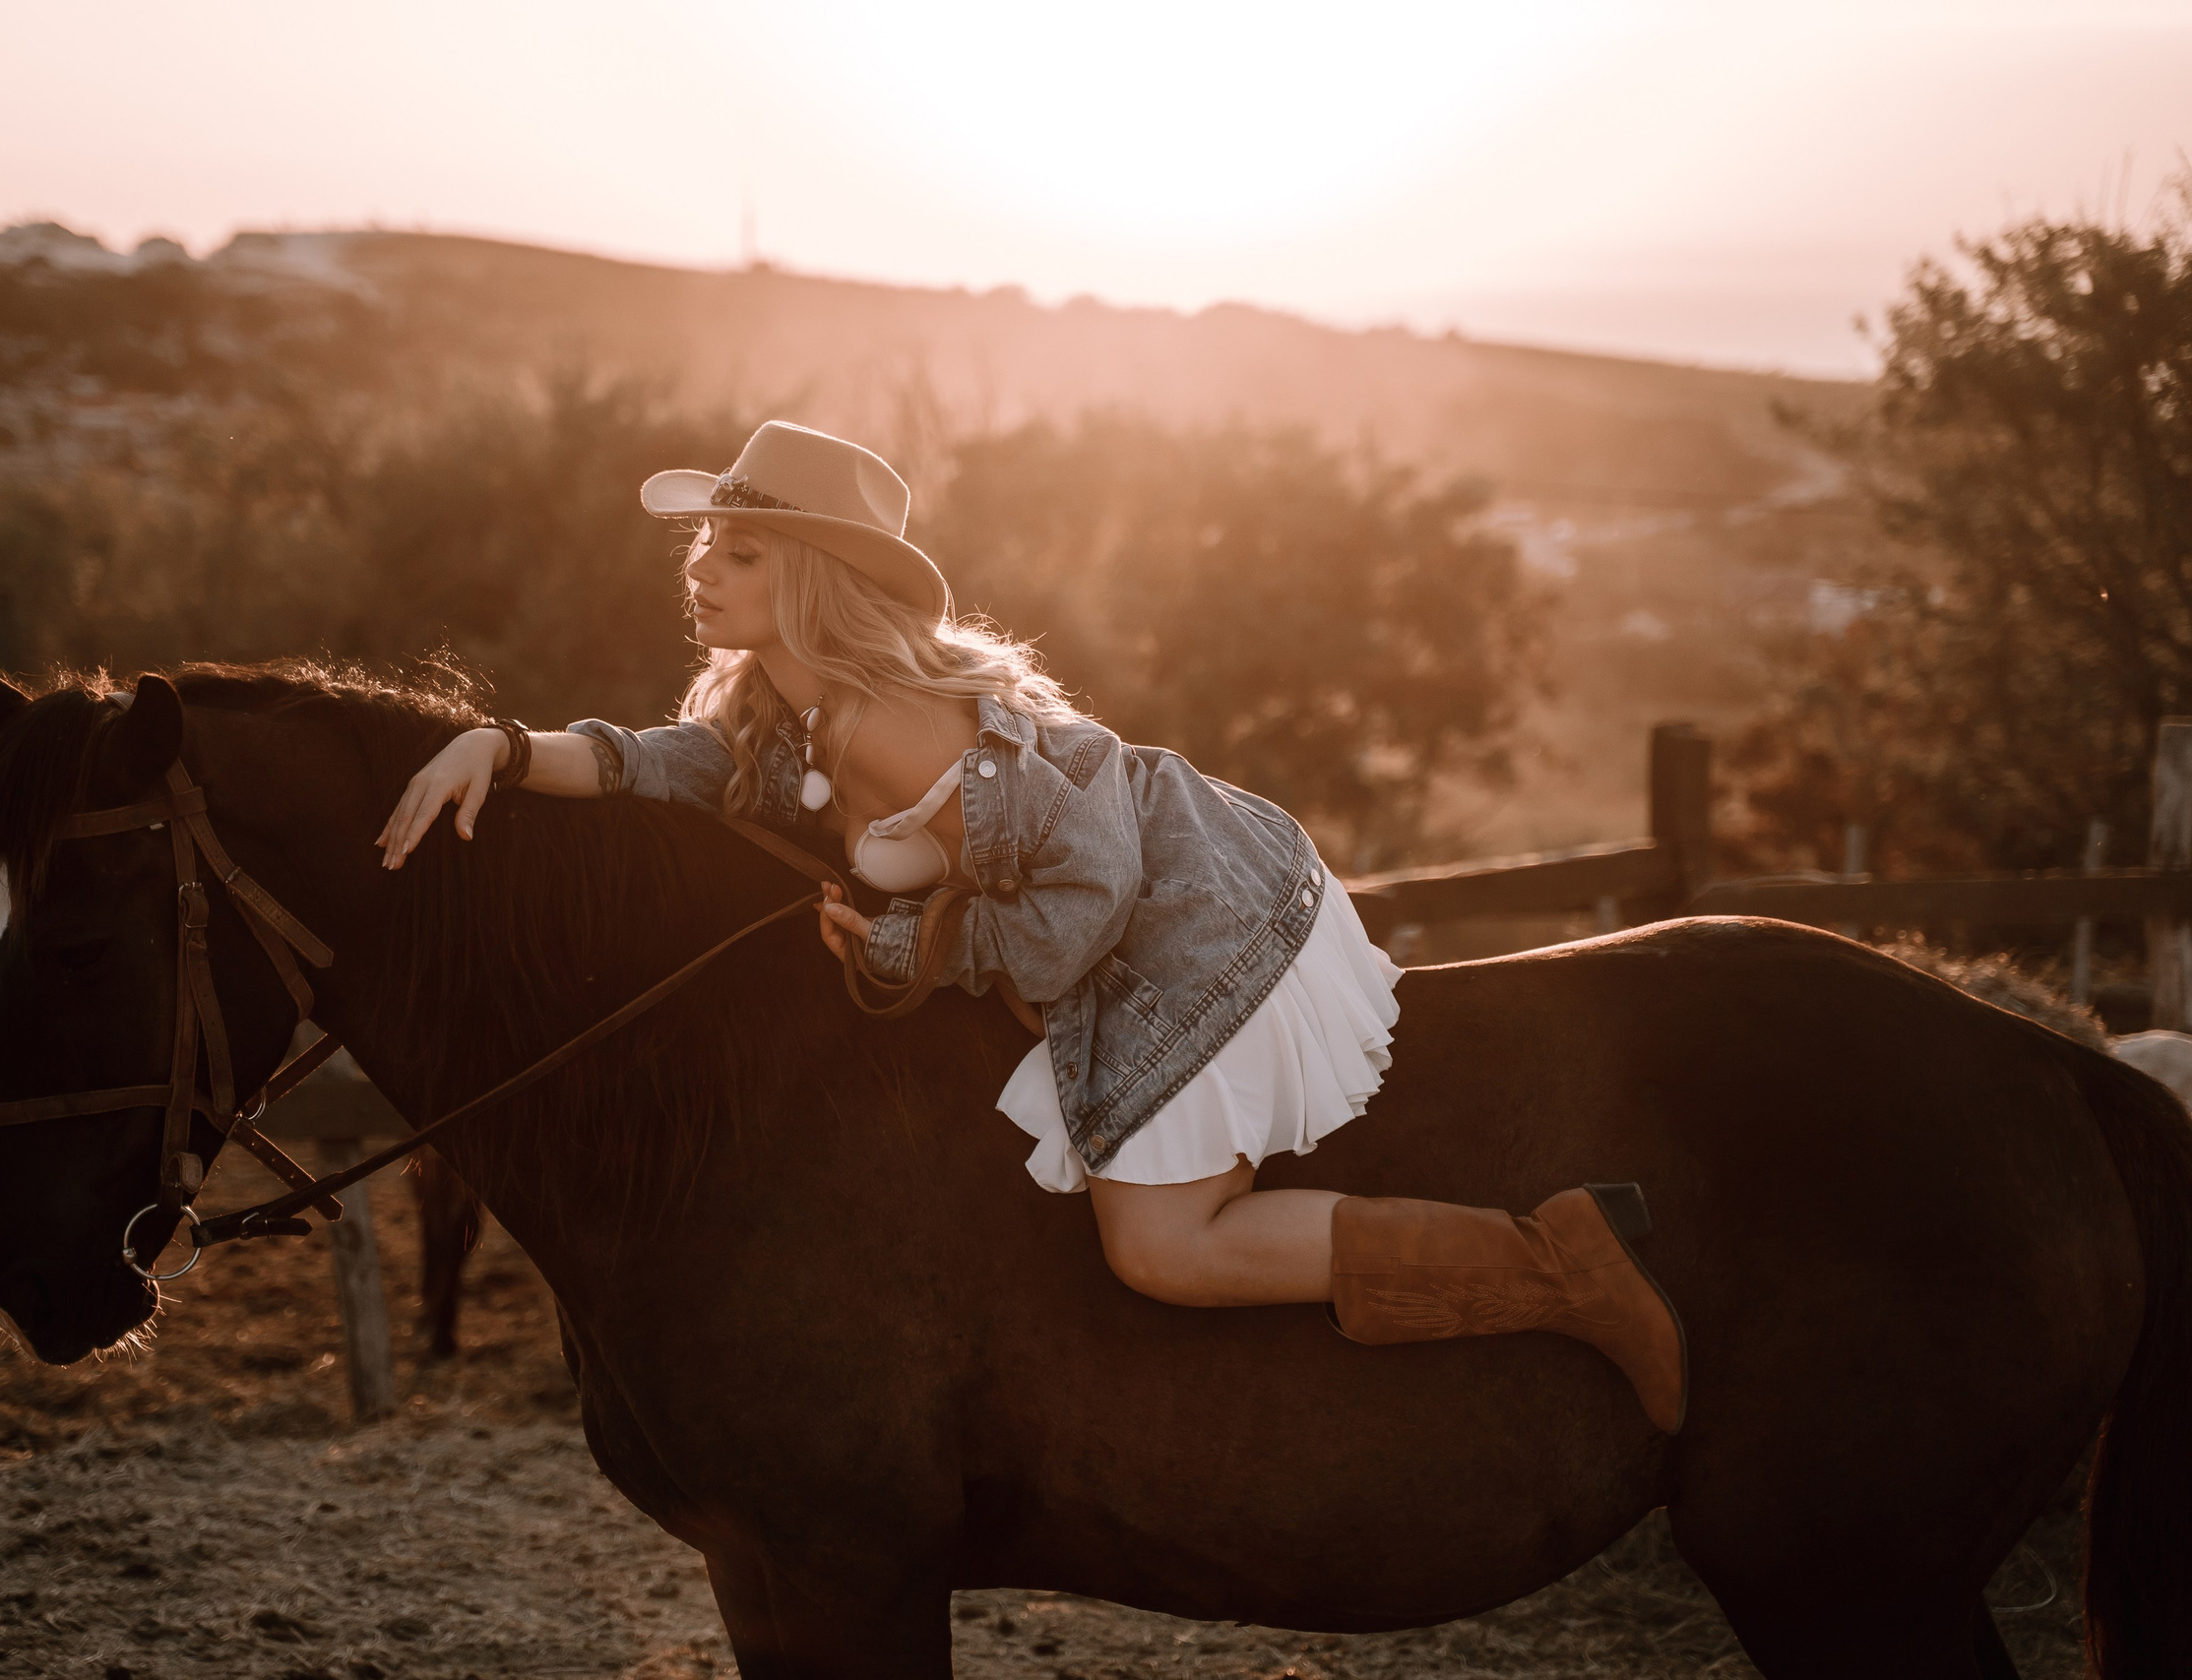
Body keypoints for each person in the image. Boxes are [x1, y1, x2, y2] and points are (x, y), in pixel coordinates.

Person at [376, 420, 1686, 1431]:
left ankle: (1554, 1266)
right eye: (705, 546)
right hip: (1095, 925)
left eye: (742, 551)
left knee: (1163, 1249)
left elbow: (1082, 910)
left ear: (819, 576)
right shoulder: (789, 712)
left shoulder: (910, 722)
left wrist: (909, 951)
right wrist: (491, 745)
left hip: (1179, 923)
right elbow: (667, 763)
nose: (703, 571)